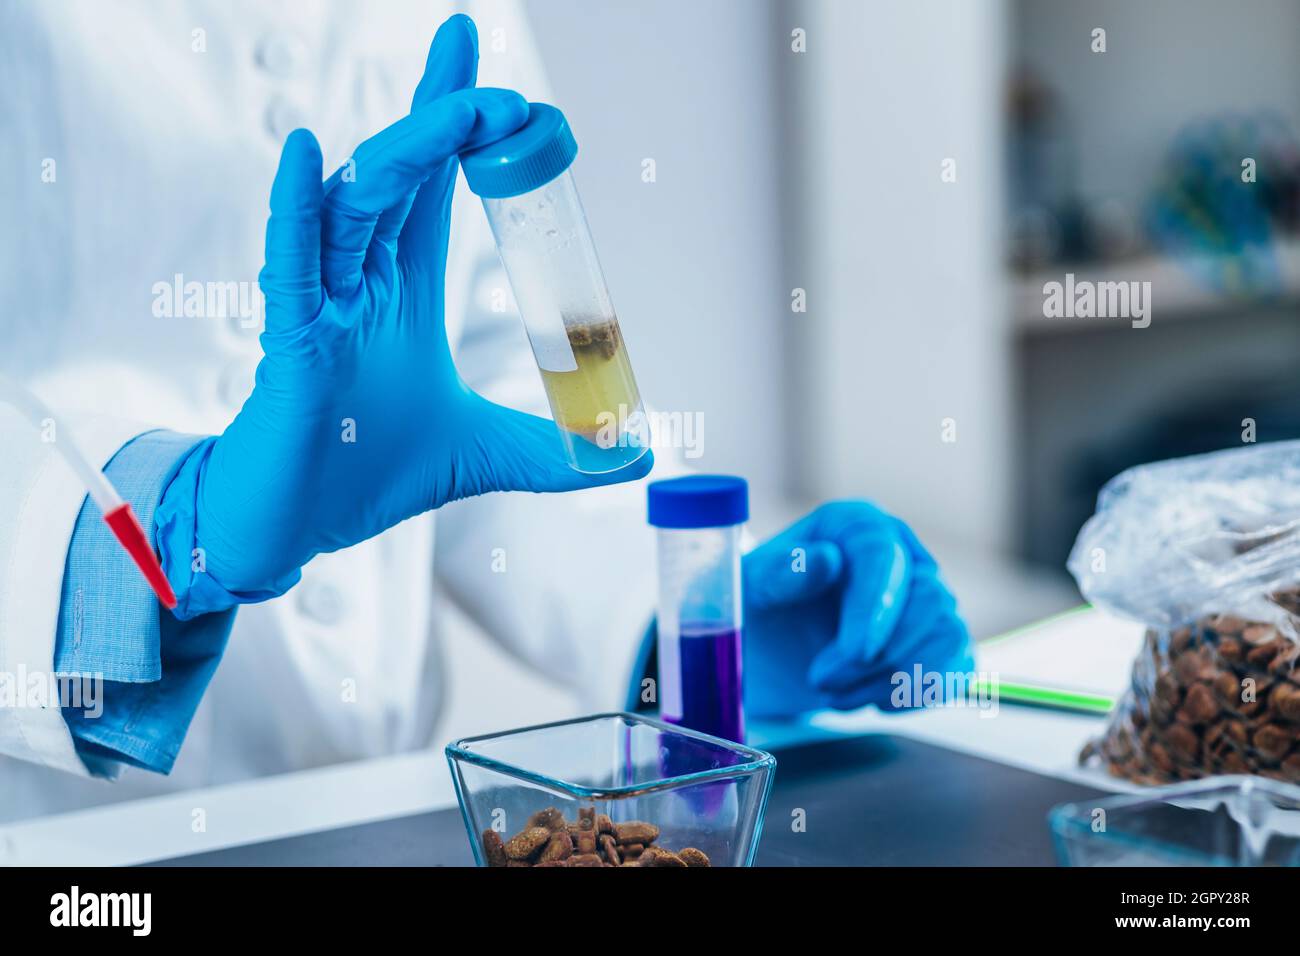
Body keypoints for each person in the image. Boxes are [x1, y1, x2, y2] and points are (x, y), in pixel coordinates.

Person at [0, 1, 973, 823]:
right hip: (76, 830)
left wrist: (677, 624)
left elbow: (485, 377)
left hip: (389, 807)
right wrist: (176, 528)